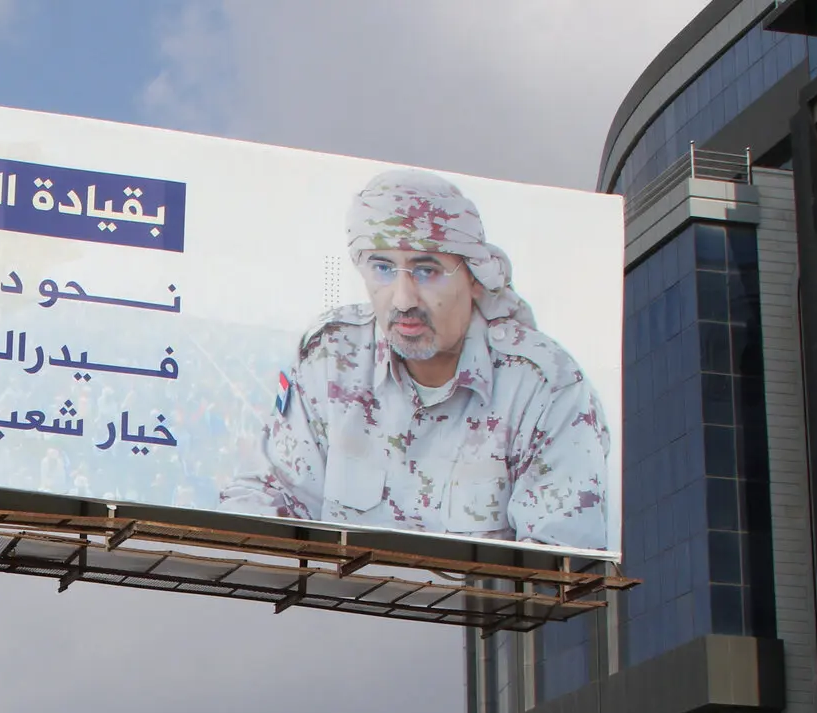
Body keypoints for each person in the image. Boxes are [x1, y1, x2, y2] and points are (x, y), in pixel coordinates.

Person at [219, 169, 612, 551]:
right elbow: (271, 495)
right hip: (330, 612)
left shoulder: (544, 387)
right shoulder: (331, 356)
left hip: (471, 617)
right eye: (383, 268)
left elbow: (560, 563)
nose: (403, 299)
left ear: (473, 277)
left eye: (427, 270)